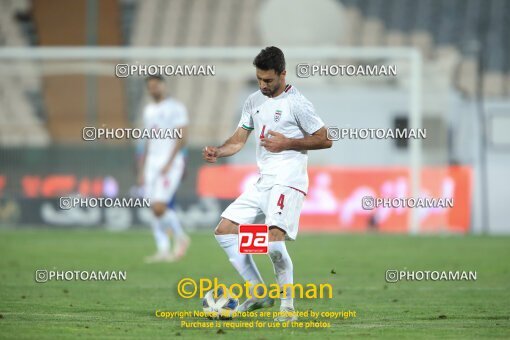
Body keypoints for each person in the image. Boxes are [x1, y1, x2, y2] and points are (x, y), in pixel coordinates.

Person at [202, 47, 332, 321]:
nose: (263, 85)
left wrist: (287, 142)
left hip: (289, 179)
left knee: (273, 242)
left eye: (268, 80)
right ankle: (258, 292)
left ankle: (288, 307)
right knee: (224, 230)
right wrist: (219, 151)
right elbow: (238, 139)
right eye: (259, 79)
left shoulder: (297, 103)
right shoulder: (253, 101)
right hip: (264, 181)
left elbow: (325, 138)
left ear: (283, 74)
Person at [139, 75, 190, 263]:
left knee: (160, 207)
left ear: (164, 86)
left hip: (171, 163)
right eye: (150, 87)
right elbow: (147, 140)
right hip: (151, 163)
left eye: (156, 86)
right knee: (153, 208)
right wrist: (142, 169)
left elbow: (182, 137)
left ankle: (181, 237)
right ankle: (163, 250)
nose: (154, 89)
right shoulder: (148, 111)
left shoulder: (176, 108)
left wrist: (170, 161)